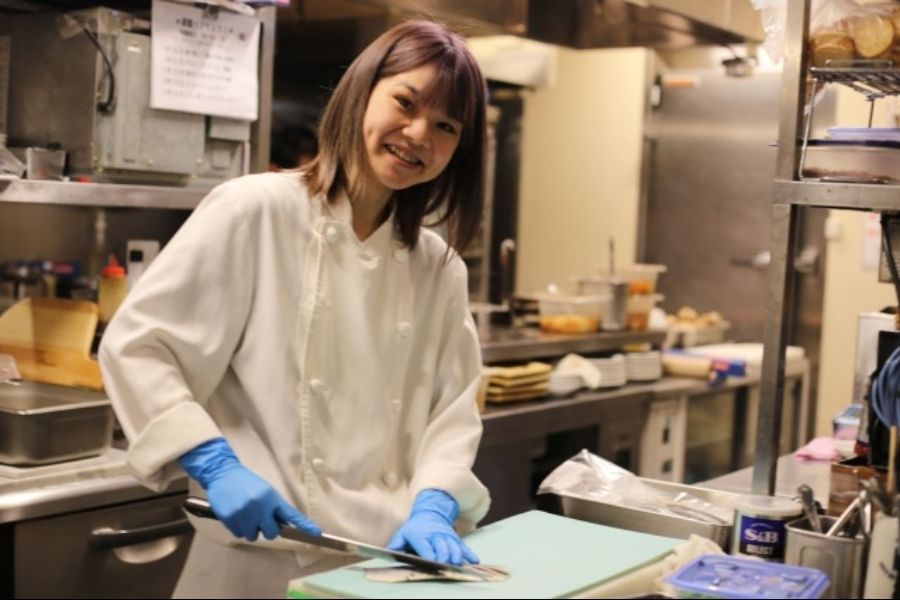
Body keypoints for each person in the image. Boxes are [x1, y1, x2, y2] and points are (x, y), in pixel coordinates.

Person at [99, 19, 490, 599]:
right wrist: (213, 463)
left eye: (445, 126)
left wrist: (434, 502)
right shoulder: (254, 211)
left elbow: (453, 410)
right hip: (254, 563)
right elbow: (140, 345)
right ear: (362, 92)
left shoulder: (438, 266)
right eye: (405, 103)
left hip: (381, 566)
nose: (417, 134)